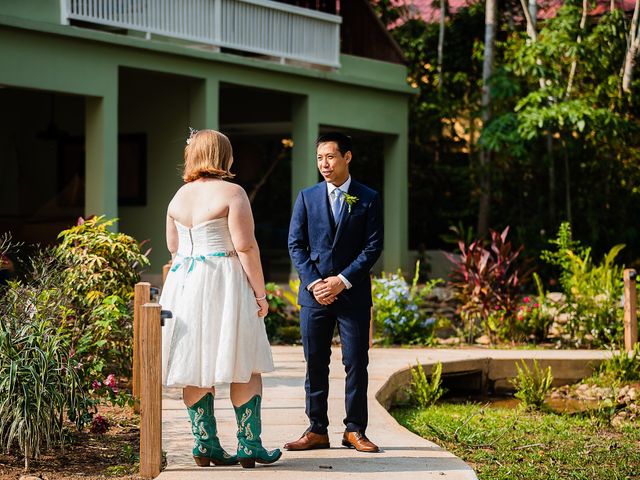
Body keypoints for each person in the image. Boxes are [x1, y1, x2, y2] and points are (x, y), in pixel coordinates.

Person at [160, 129, 281, 469]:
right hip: (223, 281)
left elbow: (173, 248)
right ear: (224, 156)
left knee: (195, 364)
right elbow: (245, 246)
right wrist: (260, 293)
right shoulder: (233, 192)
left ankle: (206, 445)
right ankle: (249, 446)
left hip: (185, 283)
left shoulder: (177, 198)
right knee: (245, 361)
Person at [286, 132, 383, 453]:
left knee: (356, 362)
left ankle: (355, 430)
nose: (324, 164)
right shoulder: (306, 197)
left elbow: (372, 247)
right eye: (319, 158)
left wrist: (341, 280)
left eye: (330, 157)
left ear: (347, 157)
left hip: (352, 295)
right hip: (314, 296)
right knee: (315, 363)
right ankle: (316, 430)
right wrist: (315, 283)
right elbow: (296, 244)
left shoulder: (368, 197)